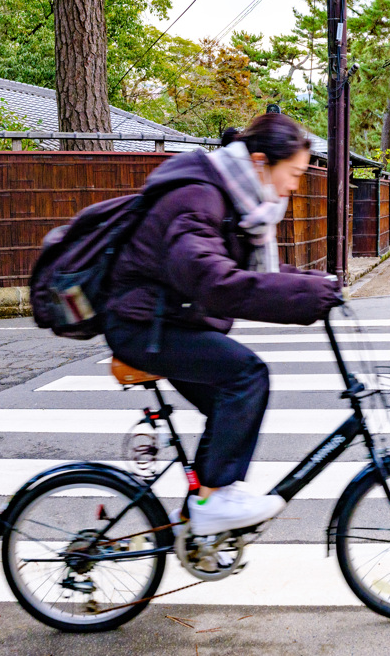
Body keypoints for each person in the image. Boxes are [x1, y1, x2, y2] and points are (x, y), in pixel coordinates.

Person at [104, 113, 343, 535]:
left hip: (167, 319)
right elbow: (213, 281)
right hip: (143, 324)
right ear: (259, 162)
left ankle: (197, 512)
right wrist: (305, 298)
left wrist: (315, 283)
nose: (294, 186)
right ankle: (214, 500)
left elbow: (242, 272)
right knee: (246, 376)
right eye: (293, 173)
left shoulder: (232, 195)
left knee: (228, 403)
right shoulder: (199, 196)